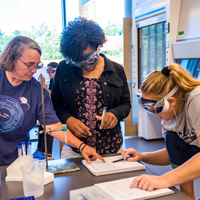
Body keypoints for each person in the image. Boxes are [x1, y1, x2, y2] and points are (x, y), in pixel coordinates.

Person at [0, 35, 105, 166]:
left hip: (15, 160)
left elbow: (54, 126)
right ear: (11, 58)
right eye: (29, 65)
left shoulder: (38, 92)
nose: (34, 70)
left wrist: (82, 146)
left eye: (37, 65)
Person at [51, 17, 131, 158]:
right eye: (79, 64)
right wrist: (68, 119)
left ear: (98, 46)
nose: (86, 67)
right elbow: (55, 103)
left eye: (90, 59)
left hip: (112, 146)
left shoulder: (116, 70)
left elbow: (126, 104)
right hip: (75, 147)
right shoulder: (63, 68)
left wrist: (115, 114)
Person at [121, 64, 200, 200]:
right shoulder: (170, 115)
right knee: (172, 139)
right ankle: (188, 197)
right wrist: (142, 156)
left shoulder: (196, 99)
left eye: (153, 108)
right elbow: (175, 152)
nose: (152, 113)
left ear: (171, 102)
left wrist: (163, 180)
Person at [34, 62, 58, 160]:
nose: (49, 73)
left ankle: (48, 154)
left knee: (48, 126)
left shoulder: (59, 80)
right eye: (47, 71)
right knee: (42, 125)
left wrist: (43, 84)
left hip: (60, 112)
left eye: (51, 70)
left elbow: (50, 95)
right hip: (53, 110)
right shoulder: (53, 81)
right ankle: (40, 149)